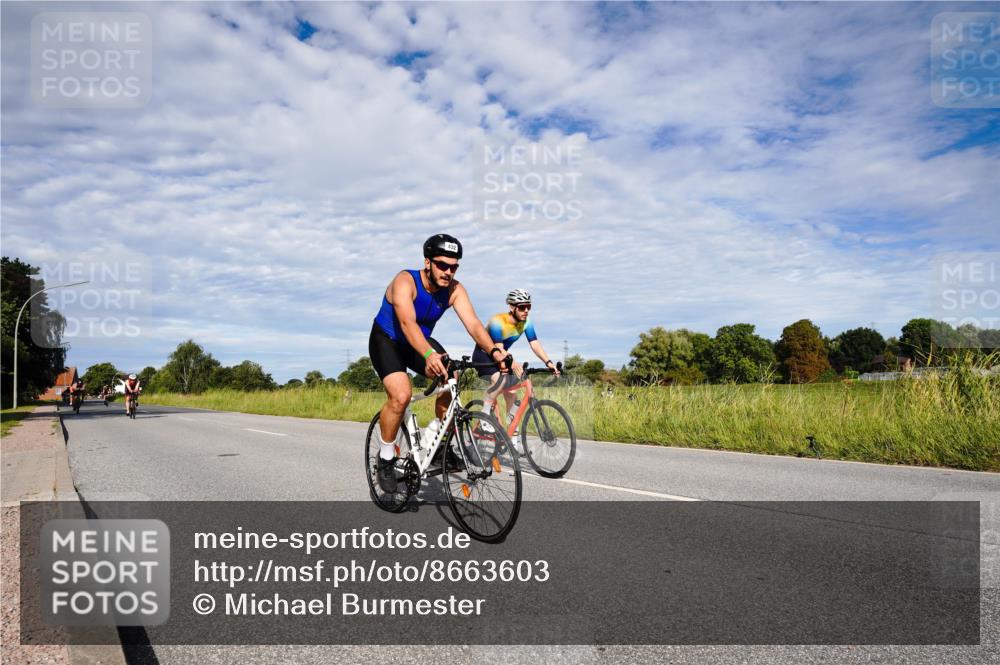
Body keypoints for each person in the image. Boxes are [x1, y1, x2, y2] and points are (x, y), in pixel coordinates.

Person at [370, 234, 510, 493]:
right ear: (427, 262)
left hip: (418, 342)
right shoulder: (405, 281)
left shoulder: (455, 290)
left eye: (454, 266)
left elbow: (474, 324)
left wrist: (494, 351)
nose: (448, 271)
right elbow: (406, 324)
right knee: (401, 396)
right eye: (442, 265)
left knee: (452, 377)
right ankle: (387, 457)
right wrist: (428, 355)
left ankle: (439, 443)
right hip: (387, 340)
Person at [472, 289, 559, 432]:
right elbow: (498, 349)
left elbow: (534, 344)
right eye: (522, 307)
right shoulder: (497, 321)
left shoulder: (526, 322)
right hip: (484, 356)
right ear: (512, 307)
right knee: (500, 380)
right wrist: (513, 363)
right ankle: (484, 416)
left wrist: (548, 363)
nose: (526, 311)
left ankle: (512, 435)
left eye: (528, 307)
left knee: (512, 393)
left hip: (503, 356)